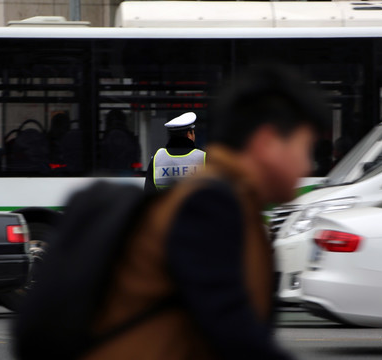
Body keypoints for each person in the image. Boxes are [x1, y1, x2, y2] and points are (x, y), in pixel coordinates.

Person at [82, 68, 327, 359]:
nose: (307, 167)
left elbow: (149, 195)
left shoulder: (161, 161)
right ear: (268, 141)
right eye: (305, 147)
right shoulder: (216, 206)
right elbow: (232, 332)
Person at [144, 112, 206, 193]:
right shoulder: (203, 158)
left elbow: (148, 194)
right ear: (189, 134)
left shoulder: (157, 158)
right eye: (193, 133)